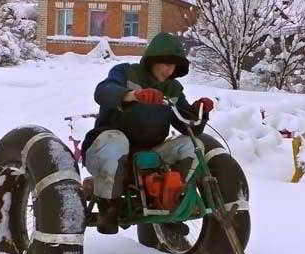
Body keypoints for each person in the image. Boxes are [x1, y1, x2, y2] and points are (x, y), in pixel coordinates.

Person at [81, 32, 215, 234]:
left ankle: (170, 203)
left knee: (192, 145)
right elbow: (103, 91)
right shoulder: (126, 73)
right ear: (152, 60)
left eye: (174, 65)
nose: (169, 69)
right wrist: (133, 95)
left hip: (149, 156)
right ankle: (108, 209)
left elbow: (189, 125)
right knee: (116, 140)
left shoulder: (173, 89)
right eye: (165, 63)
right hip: (107, 150)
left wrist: (199, 111)